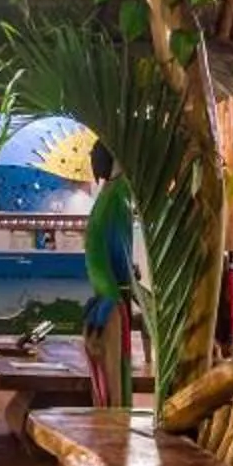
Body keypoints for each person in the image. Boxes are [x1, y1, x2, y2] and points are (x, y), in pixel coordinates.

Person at [81, 141, 135, 407]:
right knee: (109, 385)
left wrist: (107, 302)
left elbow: (112, 253)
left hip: (110, 300)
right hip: (108, 301)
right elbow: (101, 253)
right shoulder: (113, 196)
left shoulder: (113, 197)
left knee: (112, 385)